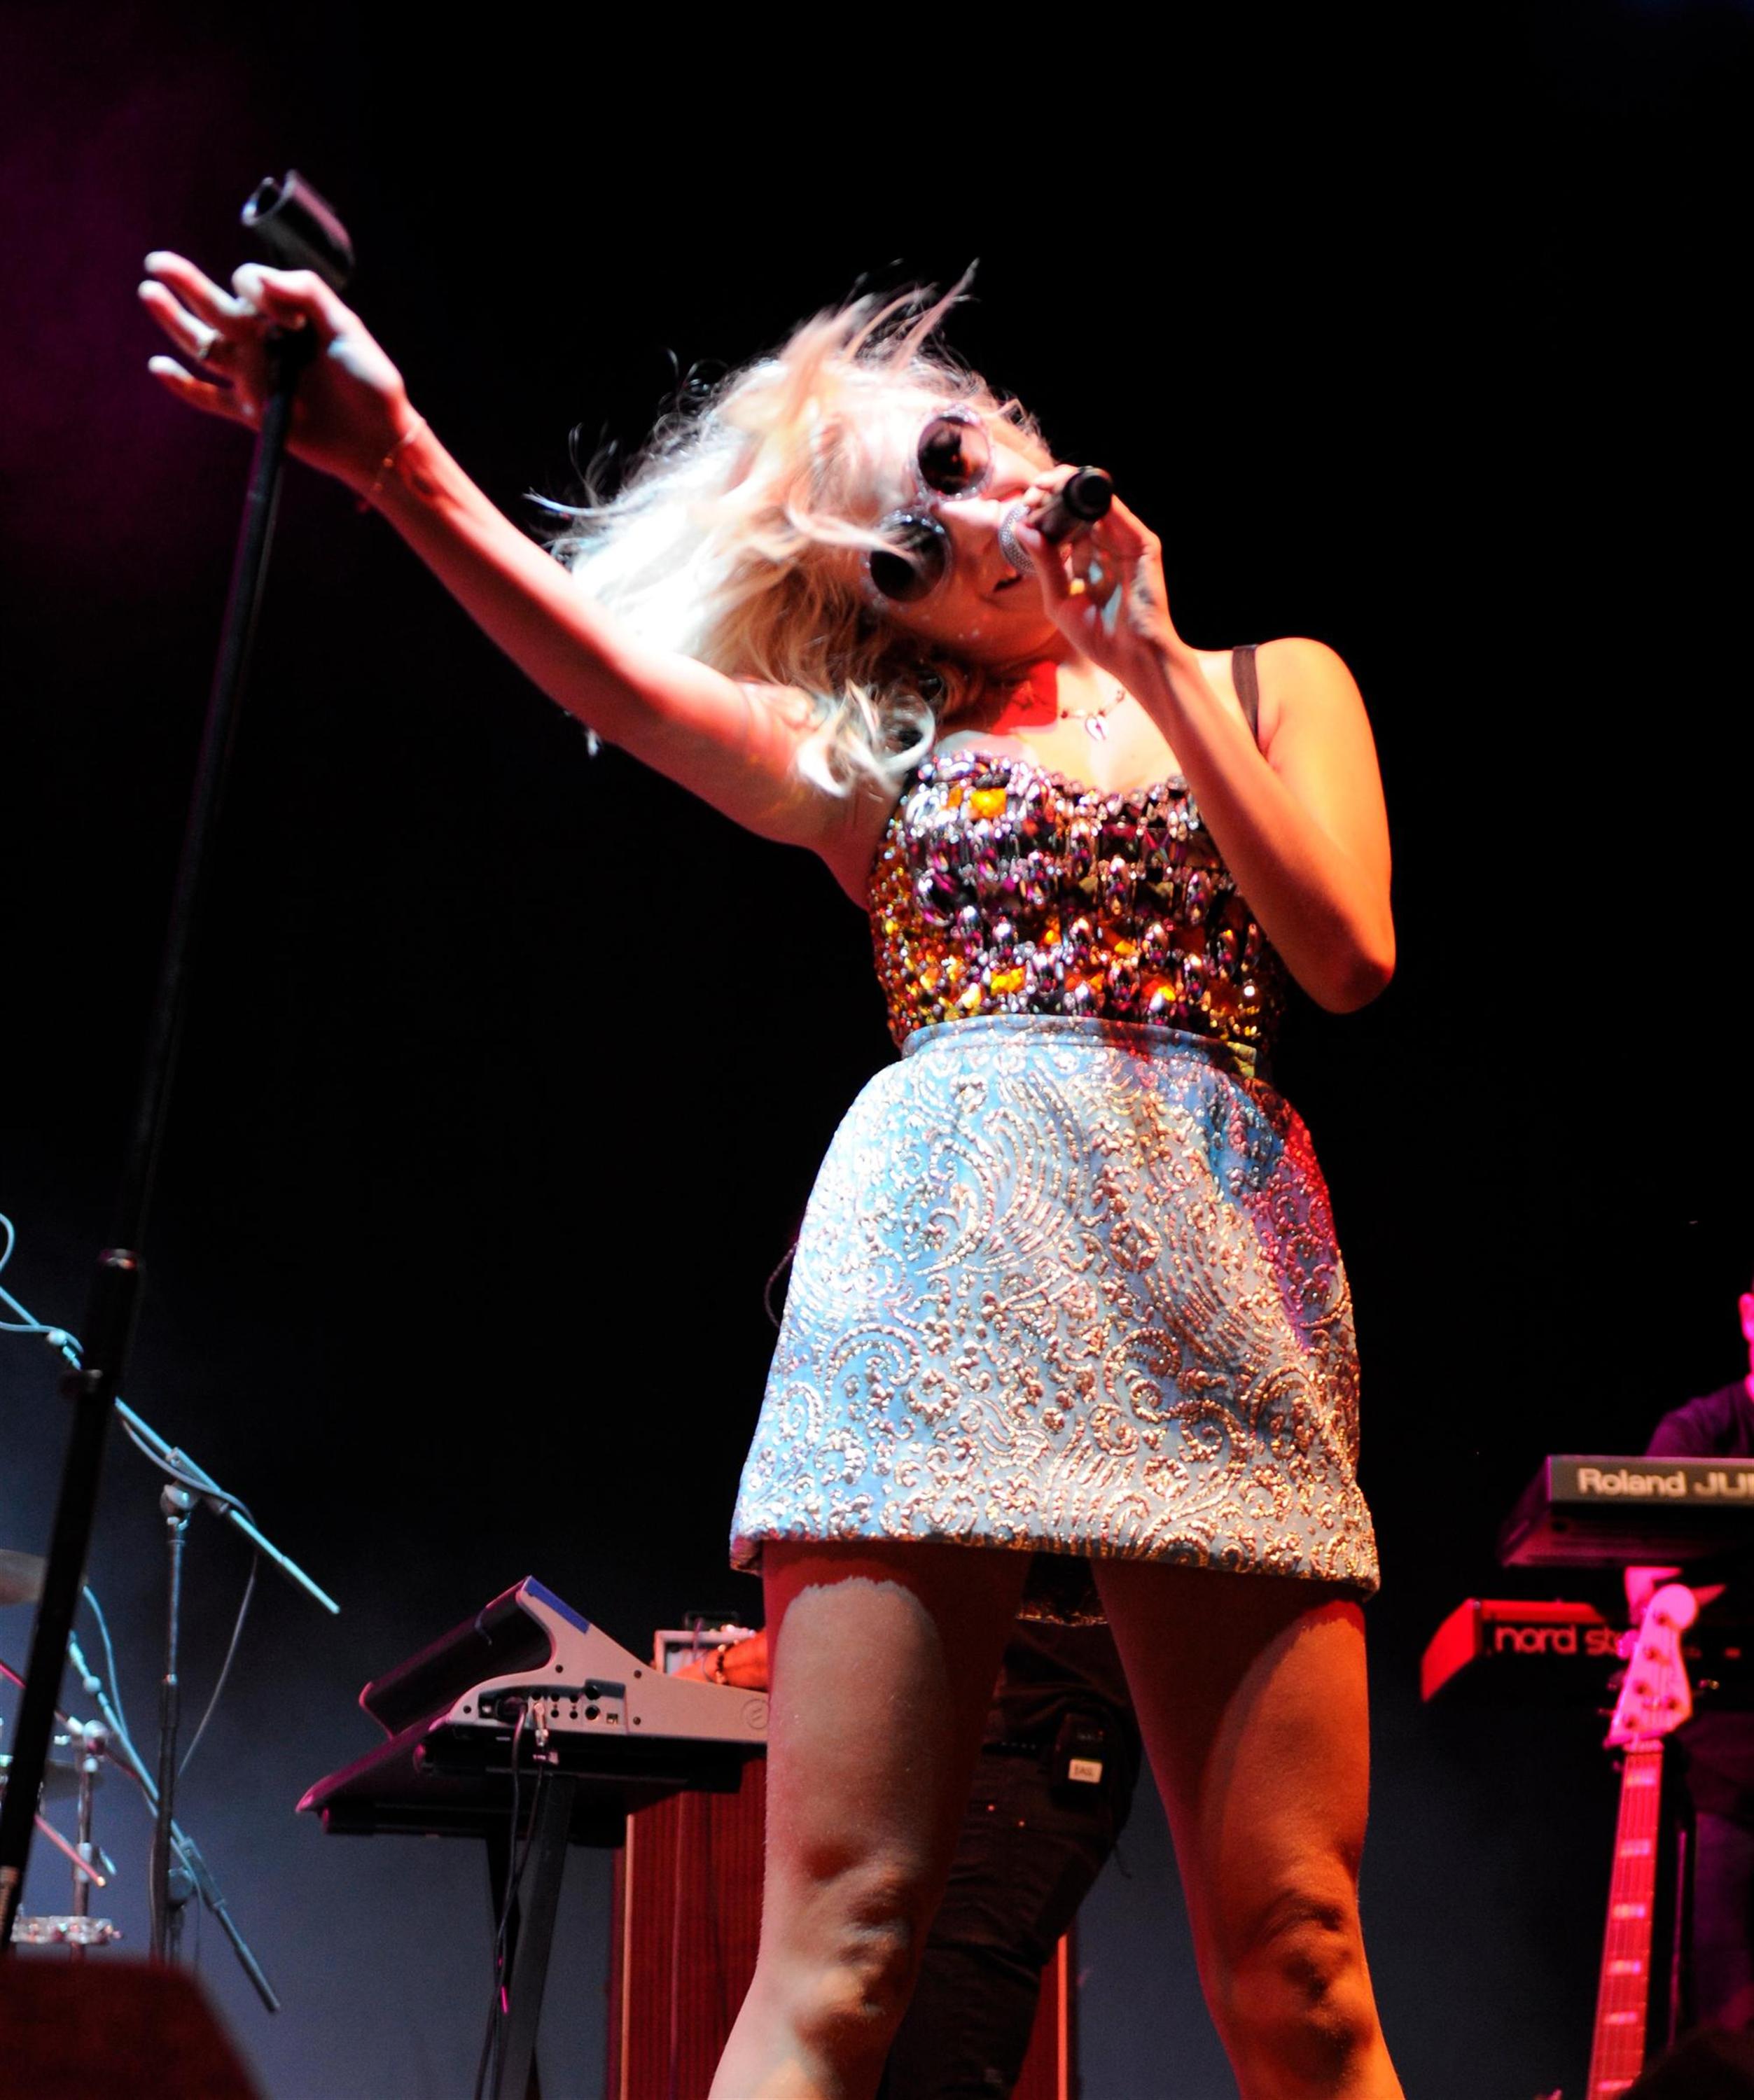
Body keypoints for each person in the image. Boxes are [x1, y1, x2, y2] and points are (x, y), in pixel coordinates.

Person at [139, 252, 1401, 2098]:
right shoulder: (883, 766)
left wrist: (1149, 661)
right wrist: (397, 459)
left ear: (1015, 430)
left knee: (1297, 1954)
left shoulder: (1277, 683)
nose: (960, 529)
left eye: (954, 461)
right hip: (932, 1286)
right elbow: (616, 678)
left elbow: (1345, 954)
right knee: (843, 1943)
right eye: (903, 552)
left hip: (1214, 1288)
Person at [683, 1618, 1141, 2100]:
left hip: (1016, 1764)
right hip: (1040, 1763)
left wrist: (716, 1670)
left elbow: (851, 1630)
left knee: (937, 2057)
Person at [1626, 1279, 1754, 2035]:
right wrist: (1699, 1598)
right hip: (1725, 1768)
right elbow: (1646, 1581)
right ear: (1748, 1316)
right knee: (1721, 2019)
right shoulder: (1700, 1431)